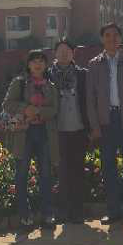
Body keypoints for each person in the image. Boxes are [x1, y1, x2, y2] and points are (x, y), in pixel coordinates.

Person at [87, 22, 123, 226]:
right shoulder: (94, 64)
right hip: (106, 121)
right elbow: (90, 99)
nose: (112, 39)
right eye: (107, 35)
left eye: (115, 35)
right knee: (109, 168)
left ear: (120, 39)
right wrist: (95, 126)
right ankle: (113, 211)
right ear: (102, 39)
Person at [2, 49, 60, 229]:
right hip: (23, 134)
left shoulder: (51, 86)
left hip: (45, 133)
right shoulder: (19, 83)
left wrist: (39, 111)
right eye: (34, 61)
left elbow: (54, 109)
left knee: (46, 175)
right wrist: (25, 108)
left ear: (46, 65)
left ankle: (47, 214)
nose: (38, 64)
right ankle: (24, 215)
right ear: (28, 65)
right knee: (21, 175)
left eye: (41, 61)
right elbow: (7, 104)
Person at [47, 38, 89, 224]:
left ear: (73, 53)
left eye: (67, 50)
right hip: (58, 130)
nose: (64, 53)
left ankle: (77, 210)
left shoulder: (82, 75)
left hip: (79, 129)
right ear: (55, 53)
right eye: (60, 50)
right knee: (62, 172)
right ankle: (62, 210)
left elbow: (90, 100)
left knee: (78, 171)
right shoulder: (48, 76)